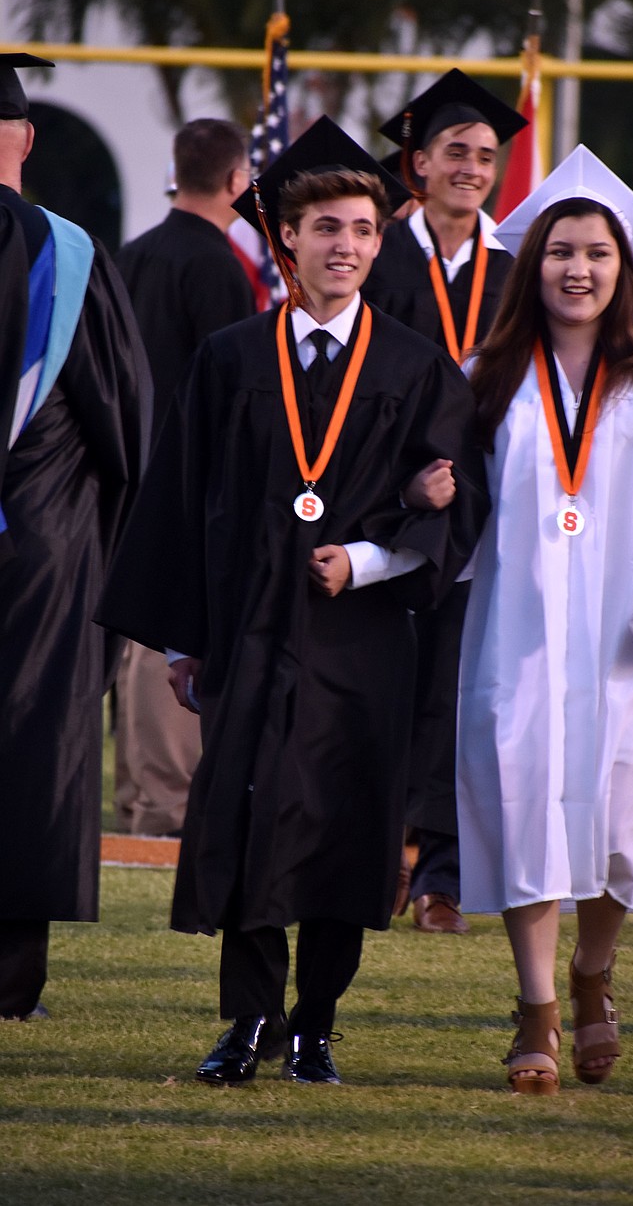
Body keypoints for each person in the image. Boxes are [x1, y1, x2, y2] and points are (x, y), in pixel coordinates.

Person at [96, 116, 488, 1085]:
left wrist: (367, 559)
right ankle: (248, 1022)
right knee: (250, 822)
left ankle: (316, 1022)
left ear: (375, 238)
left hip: (360, 641)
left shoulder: (414, 365)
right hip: (252, 631)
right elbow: (182, 503)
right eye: (325, 230)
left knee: (345, 830)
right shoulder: (232, 358)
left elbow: (454, 502)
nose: (345, 246)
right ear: (288, 240)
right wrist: (188, 642)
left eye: (360, 229)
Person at [456, 145, 633, 1094]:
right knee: (522, 796)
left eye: (598, 253)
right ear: (534, 264)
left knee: (619, 813)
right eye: (562, 250)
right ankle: (536, 1010)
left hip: (629, 631)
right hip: (519, 626)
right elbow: (456, 501)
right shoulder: (488, 371)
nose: (579, 268)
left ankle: (592, 974)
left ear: (624, 269)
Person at [0, 52, 151, 1020]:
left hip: (47, 550)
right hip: (43, 558)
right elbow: (126, 432)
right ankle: (9, 983)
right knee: (27, 755)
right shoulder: (71, 256)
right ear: (26, 137)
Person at [363, 68, 526, 934]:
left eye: (485, 155)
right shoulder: (378, 254)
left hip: (484, 506)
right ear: (417, 162)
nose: (470, 167)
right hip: (386, 498)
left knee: (462, 691)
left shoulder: (516, 265)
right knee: (386, 678)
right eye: (454, 152)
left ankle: (443, 876)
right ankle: (375, 853)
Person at [112, 118, 256, 838]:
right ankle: (163, 809)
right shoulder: (220, 268)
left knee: (135, 645)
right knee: (167, 637)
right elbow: (231, 391)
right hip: (184, 475)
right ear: (237, 181)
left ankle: (138, 797)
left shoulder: (131, 254)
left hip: (125, 467)